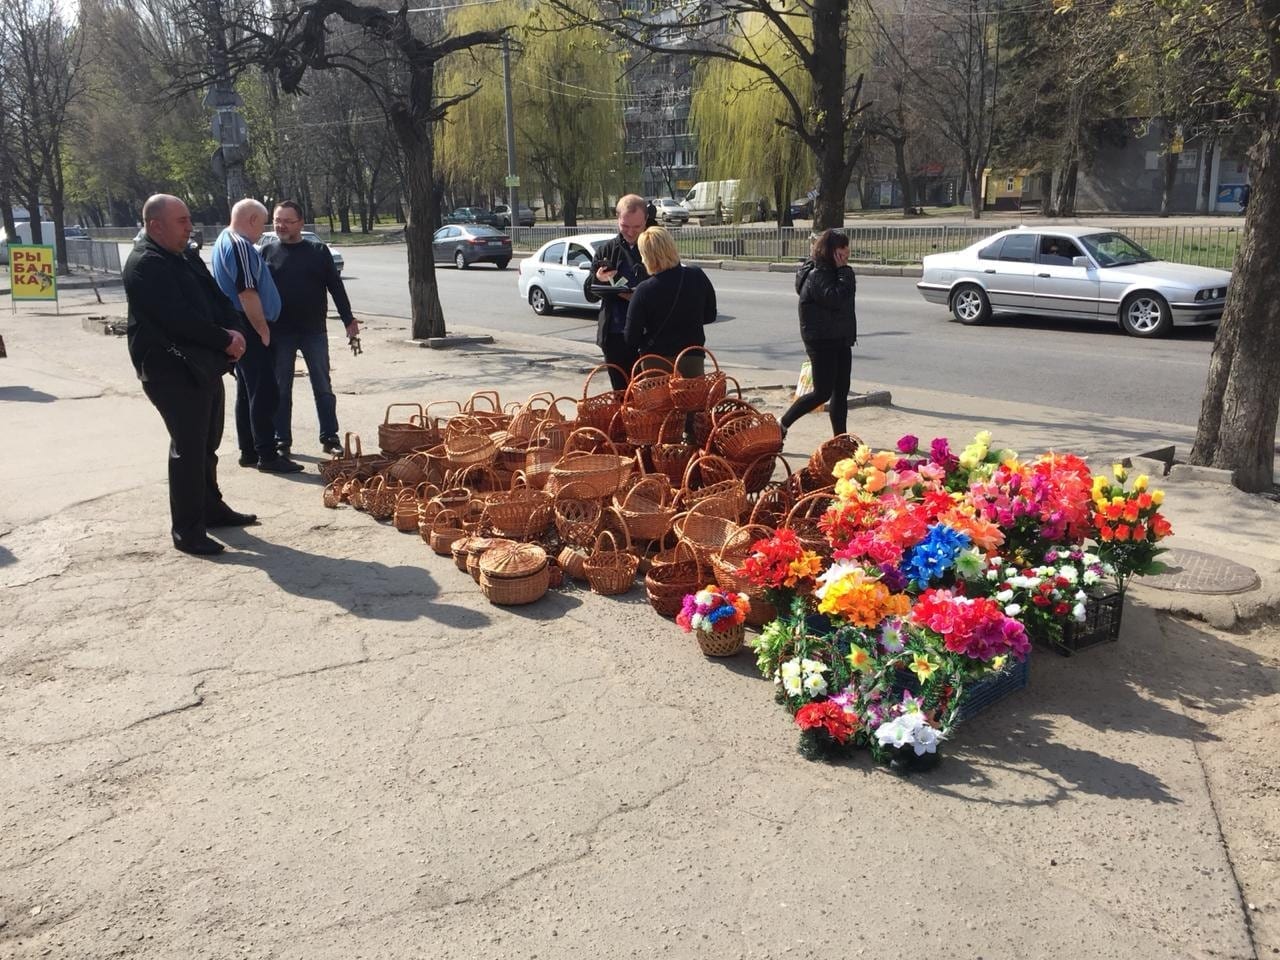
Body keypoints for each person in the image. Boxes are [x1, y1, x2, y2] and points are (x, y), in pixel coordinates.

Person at [123, 194, 254, 556]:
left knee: (207, 442)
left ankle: (211, 509)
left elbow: (219, 298)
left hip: (204, 364)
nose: (189, 227)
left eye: (188, 219)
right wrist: (225, 339)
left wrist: (234, 328)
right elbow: (178, 319)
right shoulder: (145, 264)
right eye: (181, 221)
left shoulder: (184, 255)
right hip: (170, 369)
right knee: (189, 448)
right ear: (155, 226)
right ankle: (188, 531)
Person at [259, 200, 358, 459]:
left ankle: (329, 437)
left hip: (314, 330)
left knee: (322, 384)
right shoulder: (267, 251)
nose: (280, 225)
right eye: (277, 220)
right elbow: (256, 293)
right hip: (280, 332)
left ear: (301, 223)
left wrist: (349, 320)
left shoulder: (317, 251)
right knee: (281, 387)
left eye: (287, 221)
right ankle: (282, 440)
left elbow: (336, 287)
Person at [211, 199, 302, 473]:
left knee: (248, 391)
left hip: (241, 324)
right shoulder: (239, 245)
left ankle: (249, 450)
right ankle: (266, 453)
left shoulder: (224, 241)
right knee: (264, 392)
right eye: (261, 223)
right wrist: (262, 329)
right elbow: (247, 292)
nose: (263, 231)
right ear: (251, 220)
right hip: (249, 325)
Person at [779, 229, 857, 440]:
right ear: (832, 251)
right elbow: (835, 299)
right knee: (822, 392)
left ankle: (840, 438)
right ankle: (782, 424)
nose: (847, 250)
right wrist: (845, 271)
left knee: (841, 391)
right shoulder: (819, 274)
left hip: (840, 338)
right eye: (842, 247)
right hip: (822, 341)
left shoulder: (832, 271)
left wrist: (842, 272)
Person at [624, 226, 717, 379]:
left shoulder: (644, 290)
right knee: (693, 400)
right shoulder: (697, 275)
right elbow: (710, 315)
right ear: (671, 246)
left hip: (656, 361)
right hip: (692, 357)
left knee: (660, 403)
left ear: (646, 256)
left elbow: (630, 337)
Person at [584, 194, 649, 391]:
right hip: (613, 334)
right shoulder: (606, 250)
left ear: (645, 220)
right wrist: (599, 279)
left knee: (646, 394)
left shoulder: (654, 246)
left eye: (637, 227)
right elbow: (589, 293)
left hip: (646, 335)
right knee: (620, 393)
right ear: (617, 219)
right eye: (625, 226)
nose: (631, 232)